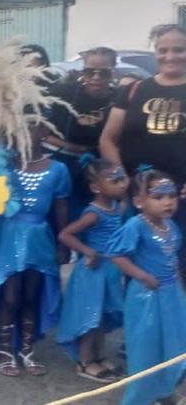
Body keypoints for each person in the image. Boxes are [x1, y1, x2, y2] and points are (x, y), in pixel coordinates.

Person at [100, 24, 186, 277]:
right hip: (140, 196)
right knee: (138, 266)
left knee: (180, 266)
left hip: (182, 196)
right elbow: (108, 139)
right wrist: (124, 180)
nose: (170, 56)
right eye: (163, 50)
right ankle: (143, 316)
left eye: (179, 50)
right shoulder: (133, 90)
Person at [0, 122, 71, 378]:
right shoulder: (2, 165)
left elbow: (60, 207)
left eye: (32, 127)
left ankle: (27, 350)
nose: (24, 132)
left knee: (30, 296)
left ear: (45, 133)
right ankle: (5, 350)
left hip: (39, 239)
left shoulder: (58, 169)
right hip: (9, 237)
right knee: (10, 295)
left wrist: (63, 241)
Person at [104, 169, 185, 405]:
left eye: (171, 196)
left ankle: (164, 391)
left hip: (171, 295)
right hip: (146, 297)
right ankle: (139, 398)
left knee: (174, 346)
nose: (167, 202)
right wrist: (142, 276)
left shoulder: (171, 226)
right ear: (139, 202)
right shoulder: (135, 226)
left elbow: (174, 260)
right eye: (158, 197)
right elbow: (115, 254)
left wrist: (180, 288)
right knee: (145, 348)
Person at [56, 157, 128, 383]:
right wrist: (88, 251)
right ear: (96, 187)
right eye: (114, 180)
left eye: (122, 178)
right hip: (93, 271)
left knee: (102, 317)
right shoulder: (94, 212)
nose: (121, 184)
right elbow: (65, 234)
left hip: (109, 270)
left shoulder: (117, 206)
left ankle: (99, 356)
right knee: (90, 316)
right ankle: (85, 361)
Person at [45, 47, 119, 216]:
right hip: (62, 162)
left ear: (114, 72)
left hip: (100, 168)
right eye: (89, 72)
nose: (96, 78)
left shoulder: (119, 98)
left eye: (104, 73)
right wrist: (74, 148)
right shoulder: (63, 93)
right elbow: (42, 132)